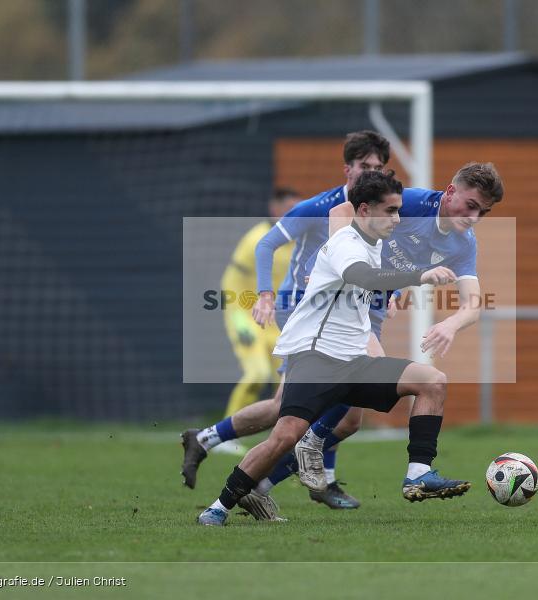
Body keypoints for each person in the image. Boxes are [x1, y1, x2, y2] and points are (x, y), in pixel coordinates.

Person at [197, 170, 469, 527]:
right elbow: (363, 277)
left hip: (354, 360)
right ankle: (218, 506)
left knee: (432, 381)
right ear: (365, 210)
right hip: (316, 358)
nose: (397, 219)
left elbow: (377, 277)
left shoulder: (377, 245)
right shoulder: (346, 243)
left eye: (399, 210)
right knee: (284, 436)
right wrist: (419, 276)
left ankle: (418, 473)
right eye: (389, 211)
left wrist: (396, 290)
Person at [181, 130, 391, 511]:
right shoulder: (319, 207)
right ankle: (267, 485)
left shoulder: (379, 211)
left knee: (337, 417)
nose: (370, 173)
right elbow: (267, 243)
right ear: (348, 168)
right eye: (364, 166)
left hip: (341, 315)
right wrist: (263, 295)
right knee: (315, 408)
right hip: (303, 312)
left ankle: (210, 441)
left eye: (378, 167)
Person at [220, 187, 300, 418]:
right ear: (274, 209)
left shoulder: (298, 243)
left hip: (277, 321)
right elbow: (231, 281)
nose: (295, 216)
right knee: (257, 375)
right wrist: (239, 319)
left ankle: (283, 434)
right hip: (247, 317)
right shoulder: (256, 240)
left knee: (289, 382)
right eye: (289, 210)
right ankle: (224, 433)